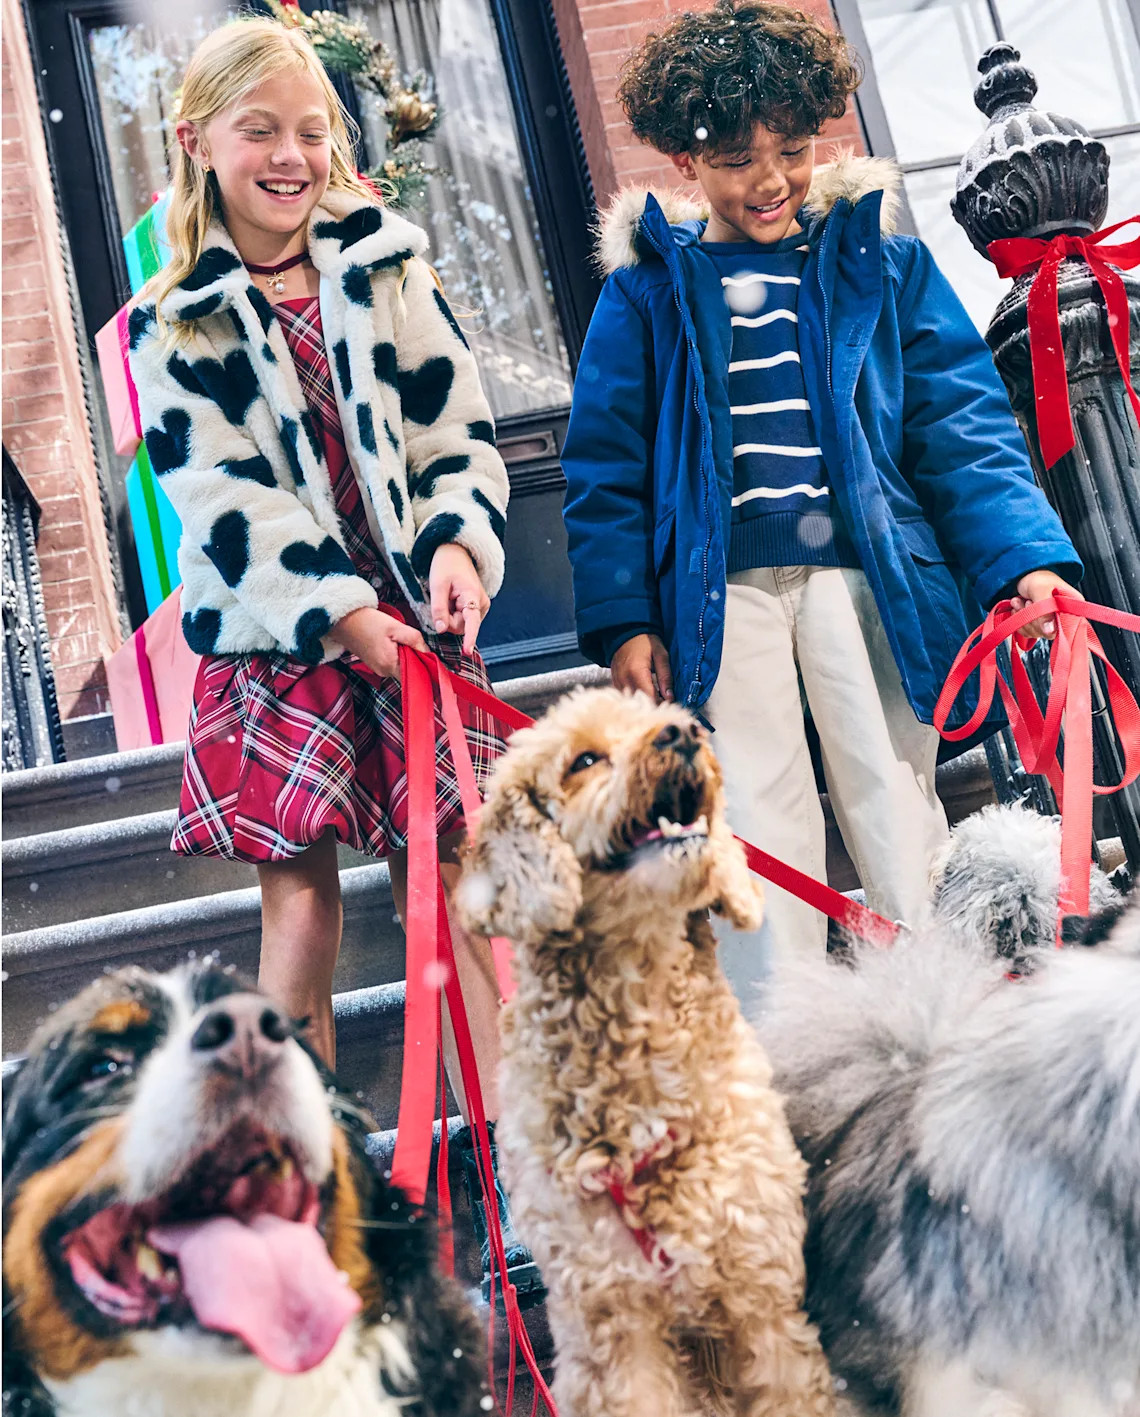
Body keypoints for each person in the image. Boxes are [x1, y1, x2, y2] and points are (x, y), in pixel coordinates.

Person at [129, 15, 539, 1302]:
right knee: (301, 902)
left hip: (416, 625)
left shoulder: (387, 266)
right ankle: (309, 1187)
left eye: (313, 132)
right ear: (199, 144)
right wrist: (340, 611)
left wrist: (464, 542)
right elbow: (226, 497)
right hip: (287, 640)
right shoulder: (174, 322)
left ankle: (528, 1166)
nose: (294, 155)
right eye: (262, 131)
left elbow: (454, 429)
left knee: (465, 876)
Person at [561, 0, 1083, 983]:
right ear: (684, 161)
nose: (770, 180)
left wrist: (1023, 560)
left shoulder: (877, 260)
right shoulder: (645, 289)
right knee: (755, 819)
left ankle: (947, 1016)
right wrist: (626, 617)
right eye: (736, 159)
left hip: (867, 574)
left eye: (792, 150)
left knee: (896, 795)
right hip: (725, 594)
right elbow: (603, 466)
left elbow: (958, 422)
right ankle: (795, 1057)